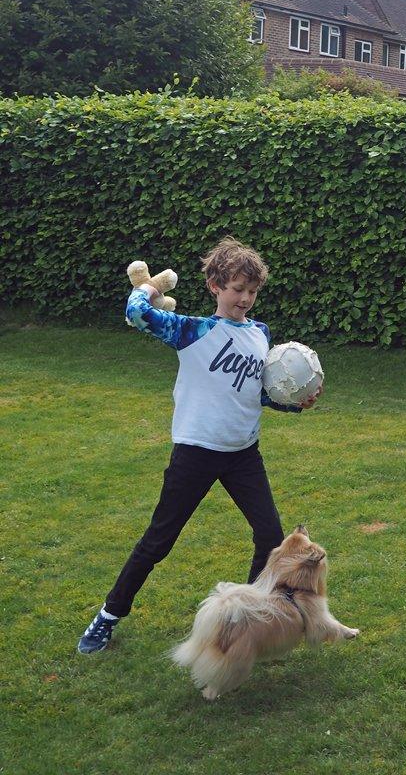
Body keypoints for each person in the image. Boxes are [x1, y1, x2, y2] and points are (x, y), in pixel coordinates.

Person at [77, 236, 320, 654]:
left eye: (252, 291)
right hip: (195, 452)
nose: (245, 298)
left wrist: (295, 403)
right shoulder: (193, 330)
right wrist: (149, 289)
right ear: (215, 287)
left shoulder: (260, 334)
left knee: (270, 537)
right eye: (237, 289)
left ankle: (246, 619)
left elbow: (255, 393)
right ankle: (107, 616)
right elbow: (137, 314)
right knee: (159, 540)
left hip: (244, 453)